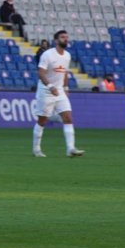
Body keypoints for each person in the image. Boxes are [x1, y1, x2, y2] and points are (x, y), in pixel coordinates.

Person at [32, 30, 84, 158]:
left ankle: (70, 148)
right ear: (56, 40)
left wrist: (65, 87)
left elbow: (65, 72)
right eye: (62, 37)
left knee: (68, 117)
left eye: (67, 37)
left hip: (59, 90)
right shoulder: (47, 55)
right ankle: (36, 149)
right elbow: (41, 72)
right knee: (42, 121)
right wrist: (50, 86)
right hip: (46, 90)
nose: (65, 39)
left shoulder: (67, 55)